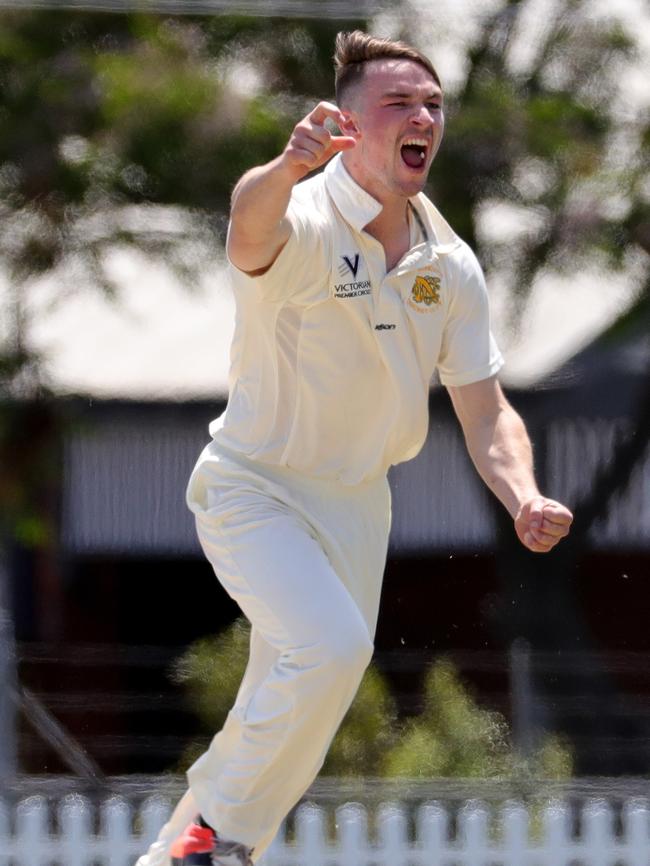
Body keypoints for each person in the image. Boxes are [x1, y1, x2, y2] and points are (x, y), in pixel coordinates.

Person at [135, 30, 573, 866]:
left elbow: (487, 413)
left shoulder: (450, 262)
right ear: (346, 123)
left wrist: (522, 494)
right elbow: (245, 232)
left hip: (360, 503)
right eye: (400, 105)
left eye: (434, 105)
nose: (424, 119)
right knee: (331, 649)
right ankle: (218, 836)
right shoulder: (299, 214)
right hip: (255, 485)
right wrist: (284, 168)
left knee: (302, 686)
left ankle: (181, 854)